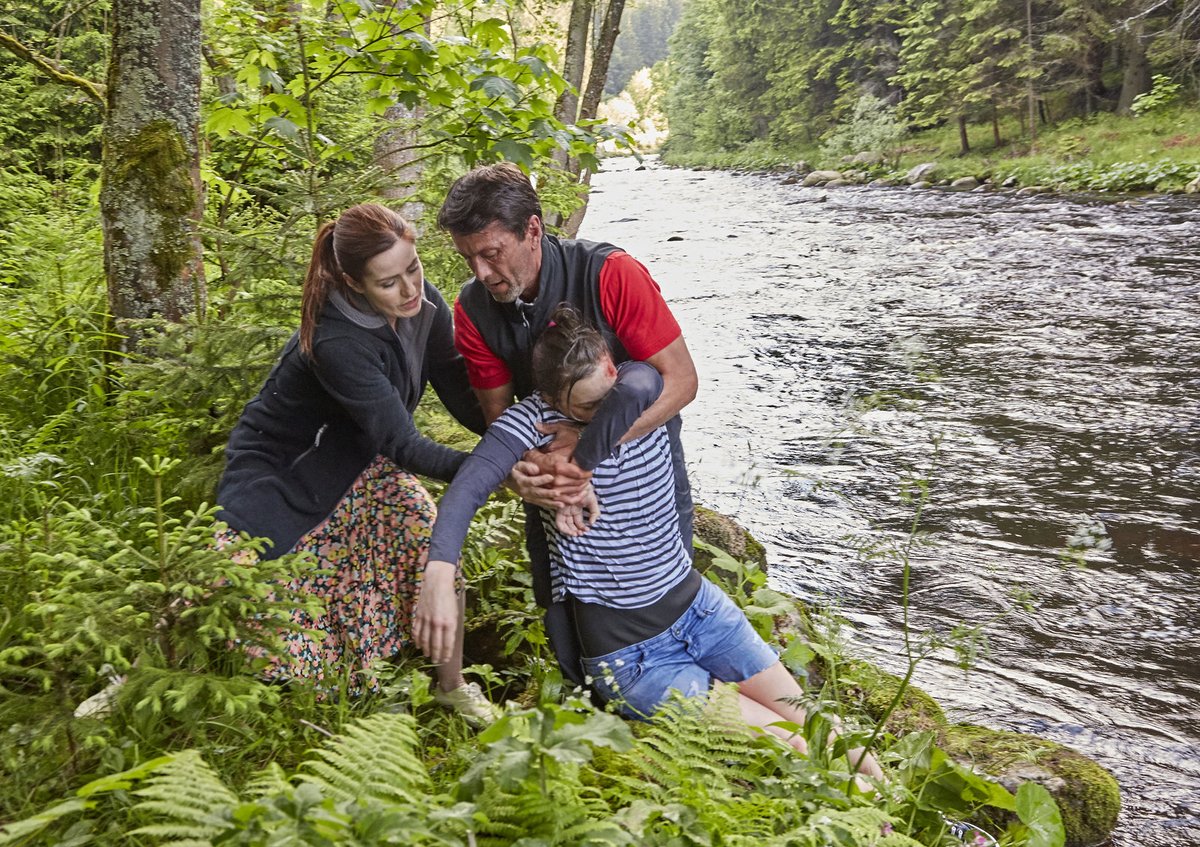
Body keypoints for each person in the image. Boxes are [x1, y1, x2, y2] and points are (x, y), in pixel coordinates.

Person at [412, 306, 884, 783]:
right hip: (633, 658)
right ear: (552, 398)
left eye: (607, 394)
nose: (604, 412)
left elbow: (634, 390)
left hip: (702, 612)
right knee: (793, 742)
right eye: (586, 409)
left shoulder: (638, 384)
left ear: (612, 367)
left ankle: (911, 816)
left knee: (824, 727)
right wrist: (438, 572)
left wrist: (583, 457)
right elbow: (466, 490)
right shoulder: (527, 425)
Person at [215, 203, 496, 723]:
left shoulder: (424, 304)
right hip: (283, 470)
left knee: (430, 541)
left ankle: (451, 688)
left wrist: (515, 438)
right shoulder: (337, 340)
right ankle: (135, 675)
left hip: (359, 460)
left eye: (413, 268)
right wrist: (494, 473)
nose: (410, 289)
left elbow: (457, 385)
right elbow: (405, 446)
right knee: (226, 588)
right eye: (389, 282)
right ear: (352, 280)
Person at [435, 163, 698, 684]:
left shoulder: (611, 273)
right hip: (556, 485)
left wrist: (591, 447)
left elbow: (681, 382)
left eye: (491, 254)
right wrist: (526, 474)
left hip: (647, 477)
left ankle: (676, 725)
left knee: (665, 605)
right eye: (469, 259)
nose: (482, 274)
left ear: (532, 230)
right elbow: (499, 419)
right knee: (567, 624)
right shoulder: (472, 309)